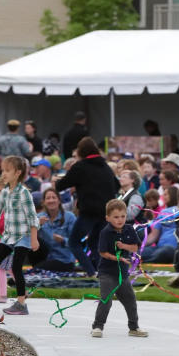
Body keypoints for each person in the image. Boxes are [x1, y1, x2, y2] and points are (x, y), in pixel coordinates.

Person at [56, 137, 119, 276]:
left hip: (89, 211)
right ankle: (102, 271)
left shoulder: (80, 166)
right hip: (105, 212)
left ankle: (91, 272)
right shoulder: (106, 167)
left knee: (74, 242)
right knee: (94, 243)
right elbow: (117, 185)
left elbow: (62, 185)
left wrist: (57, 181)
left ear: (81, 151)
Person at [0, 156, 39, 315]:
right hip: (9, 235)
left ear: (18, 173)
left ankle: (21, 304)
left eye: (7, 170)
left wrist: (34, 239)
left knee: (16, 267)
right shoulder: (5, 193)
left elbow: (32, 217)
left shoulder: (24, 193)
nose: (4, 173)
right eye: (3, 170)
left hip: (24, 235)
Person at [90, 199, 147, 338]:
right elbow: (102, 252)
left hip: (122, 273)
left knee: (130, 300)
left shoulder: (128, 229)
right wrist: (117, 258)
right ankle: (97, 327)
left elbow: (135, 247)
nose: (120, 219)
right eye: (116, 217)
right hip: (107, 273)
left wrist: (124, 247)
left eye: (122, 216)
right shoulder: (105, 232)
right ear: (108, 218)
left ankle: (134, 327)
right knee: (106, 300)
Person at [36, 189, 78, 272]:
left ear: (59, 201)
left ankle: (33, 271)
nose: (51, 200)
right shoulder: (38, 217)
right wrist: (36, 226)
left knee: (37, 271)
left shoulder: (70, 217)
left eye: (54, 197)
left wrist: (63, 240)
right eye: (48, 198)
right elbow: (27, 238)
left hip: (64, 259)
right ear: (44, 202)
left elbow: (76, 242)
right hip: (45, 257)